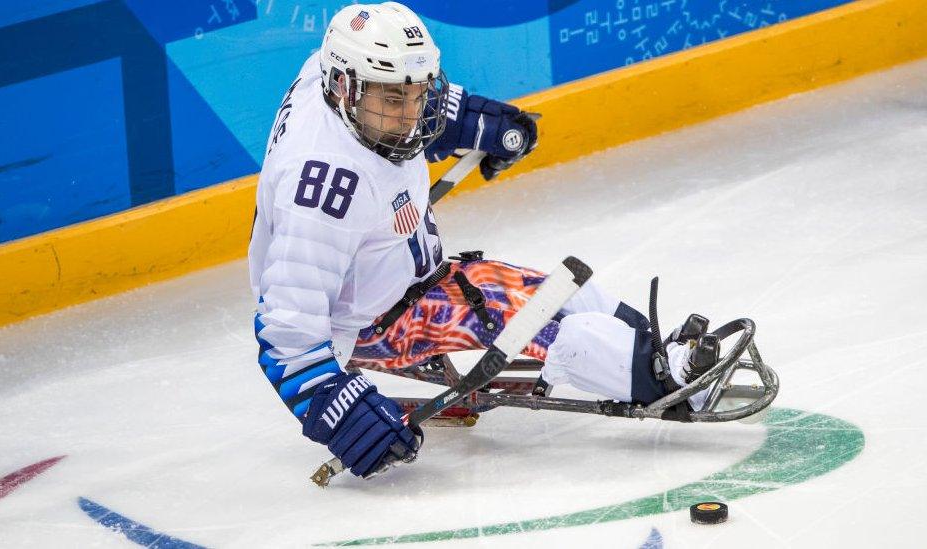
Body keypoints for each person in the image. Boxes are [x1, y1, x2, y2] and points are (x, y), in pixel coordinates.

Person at [248, 2, 718, 480]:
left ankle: (650, 348)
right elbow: (288, 332)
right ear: (345, 88)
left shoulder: (327, 77)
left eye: (417, 95)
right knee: (517, 309)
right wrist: (339, 412)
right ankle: (665, 379)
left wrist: (475, 121)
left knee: (564, 293)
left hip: (400, 275)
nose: (412, 117)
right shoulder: (325, 191)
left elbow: (407, 91)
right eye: (394, 102)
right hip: (374, 320)